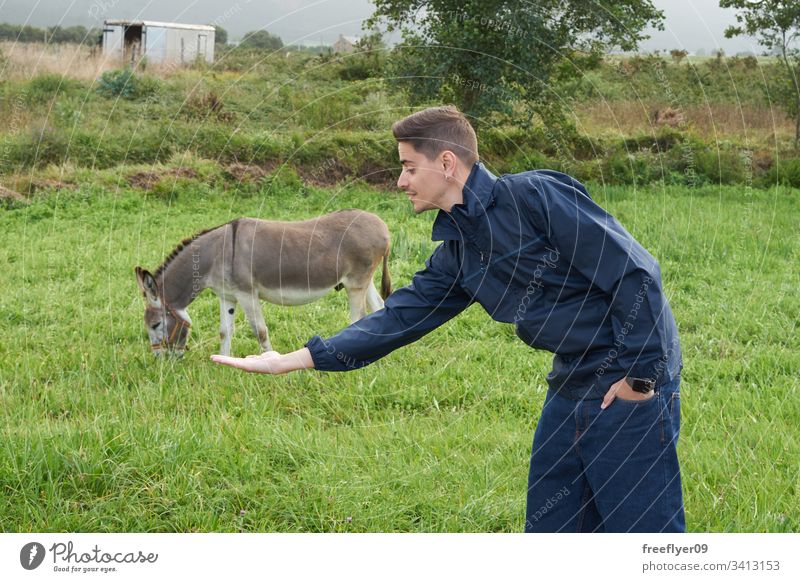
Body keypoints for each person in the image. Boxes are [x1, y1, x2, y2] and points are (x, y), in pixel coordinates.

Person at [211, 105, 685, 533]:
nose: (400, 182)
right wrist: (290, 360)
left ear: (446, 164)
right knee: (552, 528)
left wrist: (639, 380)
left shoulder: (535, 197)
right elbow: (395, 321)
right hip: (570, 381)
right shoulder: (460, 254)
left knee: (642, 533)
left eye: (408, 167)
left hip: (629, 376)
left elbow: (635, 273)